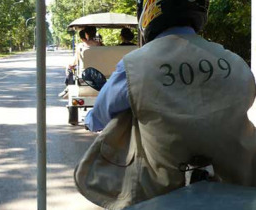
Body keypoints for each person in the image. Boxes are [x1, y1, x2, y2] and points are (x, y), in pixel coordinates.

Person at [85, 0, 256, 204]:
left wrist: (89, 119)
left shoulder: (134, 65)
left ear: (150, 10)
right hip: (239, 187)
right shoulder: (234, 62)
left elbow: (100, 116)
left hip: (157, 194)